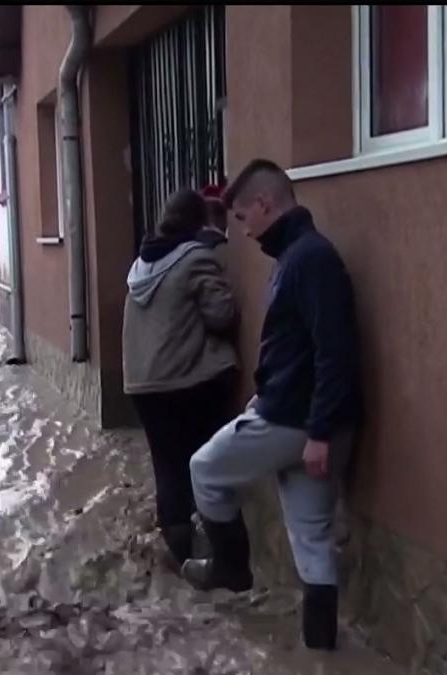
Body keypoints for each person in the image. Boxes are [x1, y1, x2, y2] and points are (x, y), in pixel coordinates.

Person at [182, 159, 361, 652]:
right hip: (304, 419)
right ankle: (320, 651)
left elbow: (335, 350)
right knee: (312, 540)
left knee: (203, 469)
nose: (242, 229)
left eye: (242, 217)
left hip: (297, 421)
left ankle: (232, 568)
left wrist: (320, 431)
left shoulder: (310, 259)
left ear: (265, 204)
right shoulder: (298, 257)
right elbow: (299, 348)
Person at [123, 187, 239, 569]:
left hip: (142, 386)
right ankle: (224, 556)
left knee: (167, 467)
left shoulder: (139, 265)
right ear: (199, 222)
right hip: (184, 383)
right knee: (205, 461)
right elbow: (223, 314)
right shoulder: (195, 259)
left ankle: (181, 558)